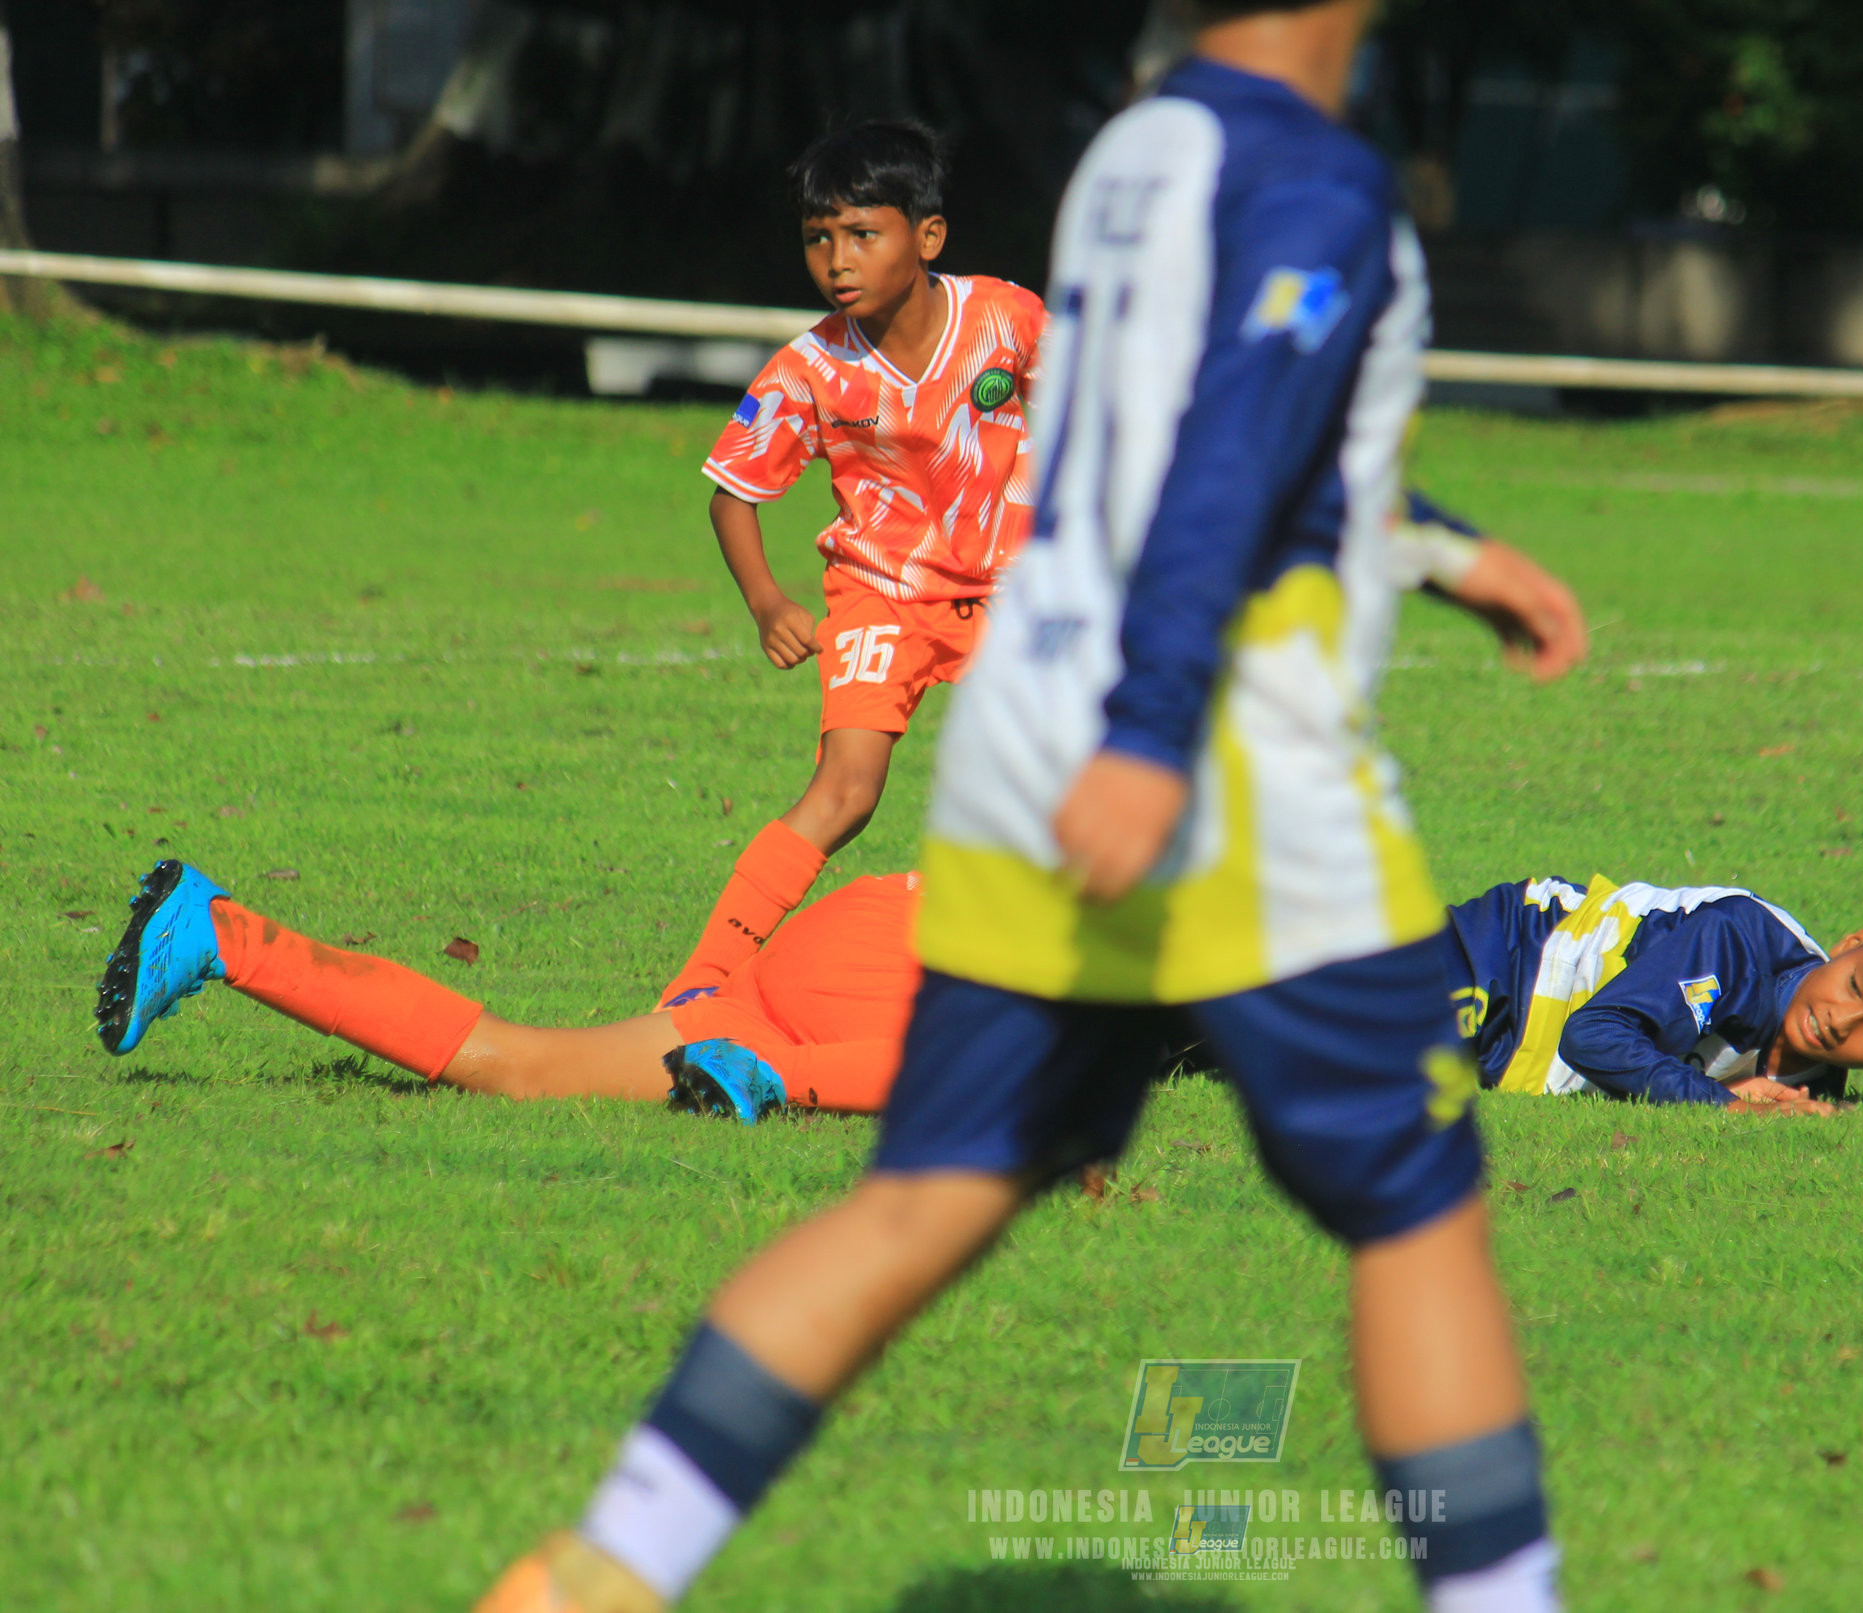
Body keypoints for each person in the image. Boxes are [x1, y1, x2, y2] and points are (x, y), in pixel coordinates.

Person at [472, 2, 1590, 1611]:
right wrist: (1150, 733)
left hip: (1020, 735)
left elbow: (1177, 425)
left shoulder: (1136, 150)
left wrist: (1443, 550)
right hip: (1223, 766)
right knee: (1417, 1217)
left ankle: (596, 1569)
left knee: (930, 1195)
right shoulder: (1312, 180)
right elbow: (1226, 463)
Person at [661, 119, 1047, 1010]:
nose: (837, 260)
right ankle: (696, 988)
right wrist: (768, 602)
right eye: (817, 238)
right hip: (882, 593)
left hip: (1015, 589)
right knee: (846, 791)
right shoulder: (809, 369)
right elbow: (732, 494)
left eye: (862, 234)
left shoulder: (1006, 319)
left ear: (928, 236)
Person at [91, 859, 917, 1118]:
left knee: (518, 1066)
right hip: (877, 978)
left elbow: (829, 803)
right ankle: (765, 1077)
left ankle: (219, 933)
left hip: (818, 970)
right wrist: (778, 1074)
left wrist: (707, 979)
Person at [1448, 877, 1863, 1114]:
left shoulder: (1812, 1089)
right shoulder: (1740, 939)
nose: (1840, 1020)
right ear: (1852, 943)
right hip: (1504, 954)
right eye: (1855, 985)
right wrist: (1721, 1103)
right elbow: (1592, 1035)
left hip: (1510, 1054)